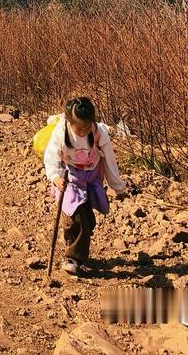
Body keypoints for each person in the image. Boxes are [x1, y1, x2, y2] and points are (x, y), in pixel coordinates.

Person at [43, 94, 129, 274]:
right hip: (70, 177)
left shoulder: (99, 133)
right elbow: (51, 156)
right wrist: (55, 176)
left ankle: (73, 247)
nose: (83, 132)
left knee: (87, 219)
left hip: (91, 177)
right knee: (77, 214)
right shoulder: (61, 132)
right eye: (78, 128)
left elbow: (109, 161)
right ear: (68, 121)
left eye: (86, 127)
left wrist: (118, 187)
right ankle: (73, 258)